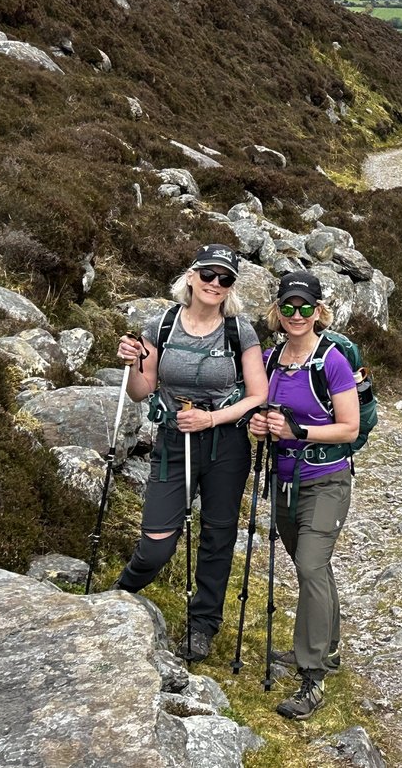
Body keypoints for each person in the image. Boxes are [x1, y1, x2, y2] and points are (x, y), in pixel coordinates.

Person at [114, 243, 270, 662]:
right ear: (191, 277)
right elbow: (140, 391)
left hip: (226, 445)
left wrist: (211, 420)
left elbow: (258, 395)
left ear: (231, 286)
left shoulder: (240, 331)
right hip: (172, 443)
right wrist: (131, 363)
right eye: (208, 275)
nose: (215, 284)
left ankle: (202, 627)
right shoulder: (161, 324)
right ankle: (119, 596)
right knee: (156, 545)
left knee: (218, 538)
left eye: (225, 279)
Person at [250, 269, 359, 720]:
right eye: (288, 307)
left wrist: (300, 430)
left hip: (327, 480)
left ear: (319, 312)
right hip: (285, 481)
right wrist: (261, 426)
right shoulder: (273, 359)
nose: (297, 315)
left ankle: (311, 676)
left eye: (306, 307)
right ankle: (326, 648)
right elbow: (263, 410)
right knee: (312, 566)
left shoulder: (332, 360)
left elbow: (349, 427)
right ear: (278, 311)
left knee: (311, 565)